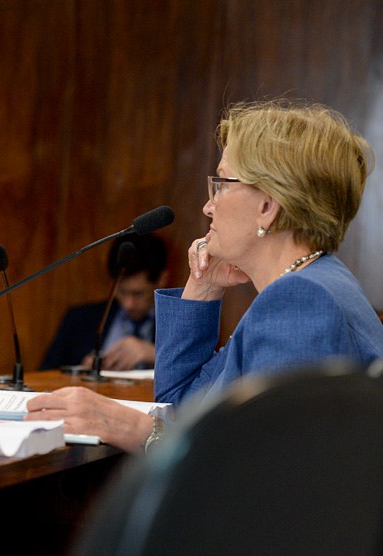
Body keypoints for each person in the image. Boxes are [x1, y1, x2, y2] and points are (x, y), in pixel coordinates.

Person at [26, 100, 383, 453]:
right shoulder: (317, 285)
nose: (208, 206)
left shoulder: (299, 302)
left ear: (267, 206)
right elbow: (182, 407)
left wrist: (134, 428)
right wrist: (203, 286)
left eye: (222, 184)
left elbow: (268, 467)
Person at [40, 234, 169, 371]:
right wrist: (80, 371)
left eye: (138, 293)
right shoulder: (80, 319)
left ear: (162, 279)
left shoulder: (178, 323)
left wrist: (156, 354)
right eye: (121, 291)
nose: (128, 304)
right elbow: (45, 374)